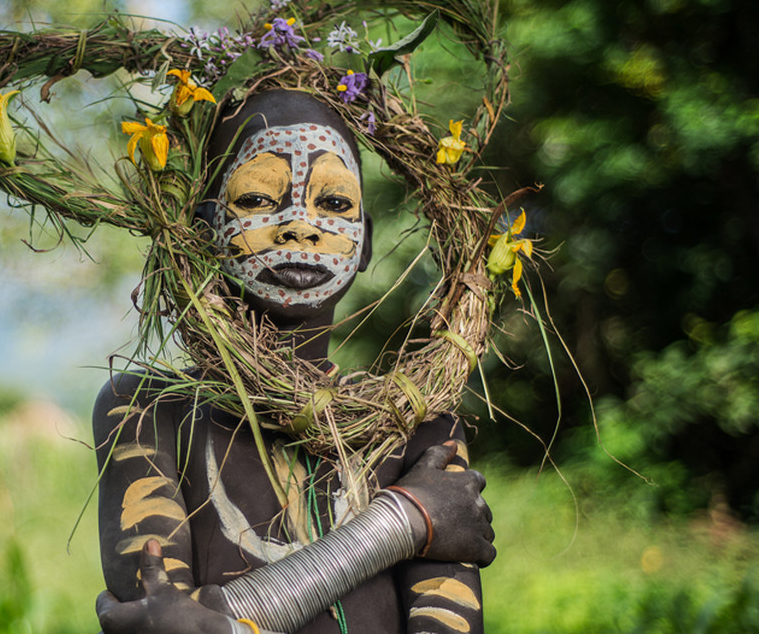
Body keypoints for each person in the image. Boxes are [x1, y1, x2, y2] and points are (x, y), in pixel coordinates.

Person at [92, 90, 496, 634]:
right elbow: (162, 622)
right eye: (258, 199)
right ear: (204, 228)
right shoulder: (146, 409)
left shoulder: (420, 427)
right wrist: (402, 522)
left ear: (365, 244)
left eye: (332, 203)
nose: (300, 227)